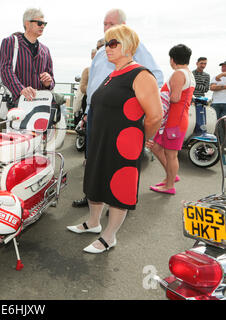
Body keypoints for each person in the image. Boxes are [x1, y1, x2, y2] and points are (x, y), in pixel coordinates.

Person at [66, 25, 162, 253]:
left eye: (113, 43)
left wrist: (140, 139)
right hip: (101, 141)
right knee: (96, 180)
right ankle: (93, 222)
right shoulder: (113, 73)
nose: (107, 48)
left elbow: (155, 115)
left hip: (124, 144)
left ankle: (109, 237)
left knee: (119, 188)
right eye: (106, 43)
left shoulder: (141, 74)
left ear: (129, 46)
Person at [72, 8, 164, 208]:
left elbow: (156, 76)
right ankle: (92, 197)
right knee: (94, 160)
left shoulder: (135, 48)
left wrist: (131, 100)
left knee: (117, 164)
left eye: (111, 24)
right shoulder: (102, 52)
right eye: (104, 24)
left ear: (123, 26)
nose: (106, 27)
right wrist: (88, 111)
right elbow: (95, 83)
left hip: (118, 116)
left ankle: (118, 203)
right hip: (96, 114)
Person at [148, 44, 195, 195]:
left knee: (171, 154)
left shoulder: (178, 74)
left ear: (172, 59)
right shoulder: (189, 73)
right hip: (177, 120)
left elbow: (175, 98)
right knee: (155, 146)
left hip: (174, 121)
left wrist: (158, 96)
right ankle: (171, 176)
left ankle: (169, 186)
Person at [0, 8, 54, 103]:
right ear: (27, 24)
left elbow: (51, 79)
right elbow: (5, 70)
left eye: (44, 24)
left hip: (39, 104)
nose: (43, 26)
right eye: (39, 23)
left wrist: (48, 83)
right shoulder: (10, 42)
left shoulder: (45, 50)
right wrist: (21, 90)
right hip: (16, 103)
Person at [192, 57, 210, 133]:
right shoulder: (191, 74)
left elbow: (206, 89)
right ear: (197, 63)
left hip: (202, 100)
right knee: (192, 119)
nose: (203, 65)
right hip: (191, 99)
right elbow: (190, 87)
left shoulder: (207, 75)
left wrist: (196, 85)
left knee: (201, 119)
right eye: (201, 63)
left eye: (205, 63)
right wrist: (199, 86)